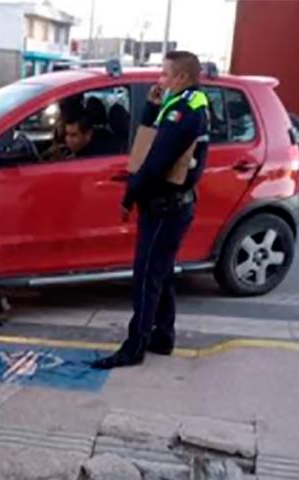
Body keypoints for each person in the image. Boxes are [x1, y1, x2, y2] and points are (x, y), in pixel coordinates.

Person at [91, 50, 210, 370]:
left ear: (182, 77)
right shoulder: (182, 104)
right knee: (162, 273)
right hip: (172, 206)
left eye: (165, 73)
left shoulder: (183, 111)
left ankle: (135, 347)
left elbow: (155, 162)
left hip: (165, 208)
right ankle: (163, 335)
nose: (161, 79)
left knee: (146, 276)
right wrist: (152, 106)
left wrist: (129, 196)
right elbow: (146, 140)